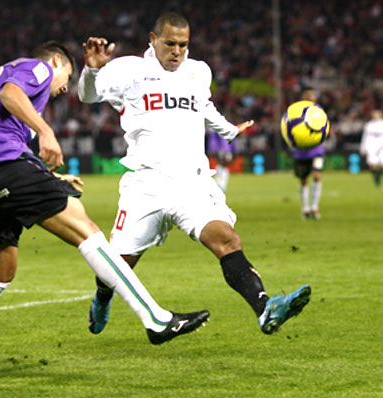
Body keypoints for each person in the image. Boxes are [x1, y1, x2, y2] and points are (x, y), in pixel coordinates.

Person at [0, 41, 209, 390]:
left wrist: (50, 178)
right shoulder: (38, 68)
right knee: (85, 228)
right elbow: (11, 96)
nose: (64, 87)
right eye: (68, 76)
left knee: (0, 274)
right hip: (1, 166)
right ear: (58, 61)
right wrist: (46, 130)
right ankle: (156, 320)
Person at [78, 12, 311, 338]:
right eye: (170, 43)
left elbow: (203, 107)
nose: (177, 51)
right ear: (152, 39)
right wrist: (92, 69)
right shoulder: (128, 70)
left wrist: (228, 130)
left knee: (227, 240)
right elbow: (87, 95)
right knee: (117, 266)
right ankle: (102, 298)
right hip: (147, 183)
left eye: (183, 45)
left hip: (192, 180)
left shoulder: (198, 71)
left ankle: (265, 307)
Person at [291, 88, 325, 220]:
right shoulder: (296, 112)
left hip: (317, 150)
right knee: (303, 180)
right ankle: (305, 208)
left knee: (317, 175)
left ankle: (315, 207)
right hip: (301, 152)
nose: (314, 98)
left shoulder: (319, 111)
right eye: (311, 96)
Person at [360, 109, 383, 187]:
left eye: (377, 114)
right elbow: (365, 137)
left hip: (381, 146)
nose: (375, 115)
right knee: (372, 164)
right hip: (371, 146)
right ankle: (376, 178)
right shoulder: (368, 125)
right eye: (374, 114)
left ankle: (379, 177)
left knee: (381, 165)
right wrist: (363, 148)